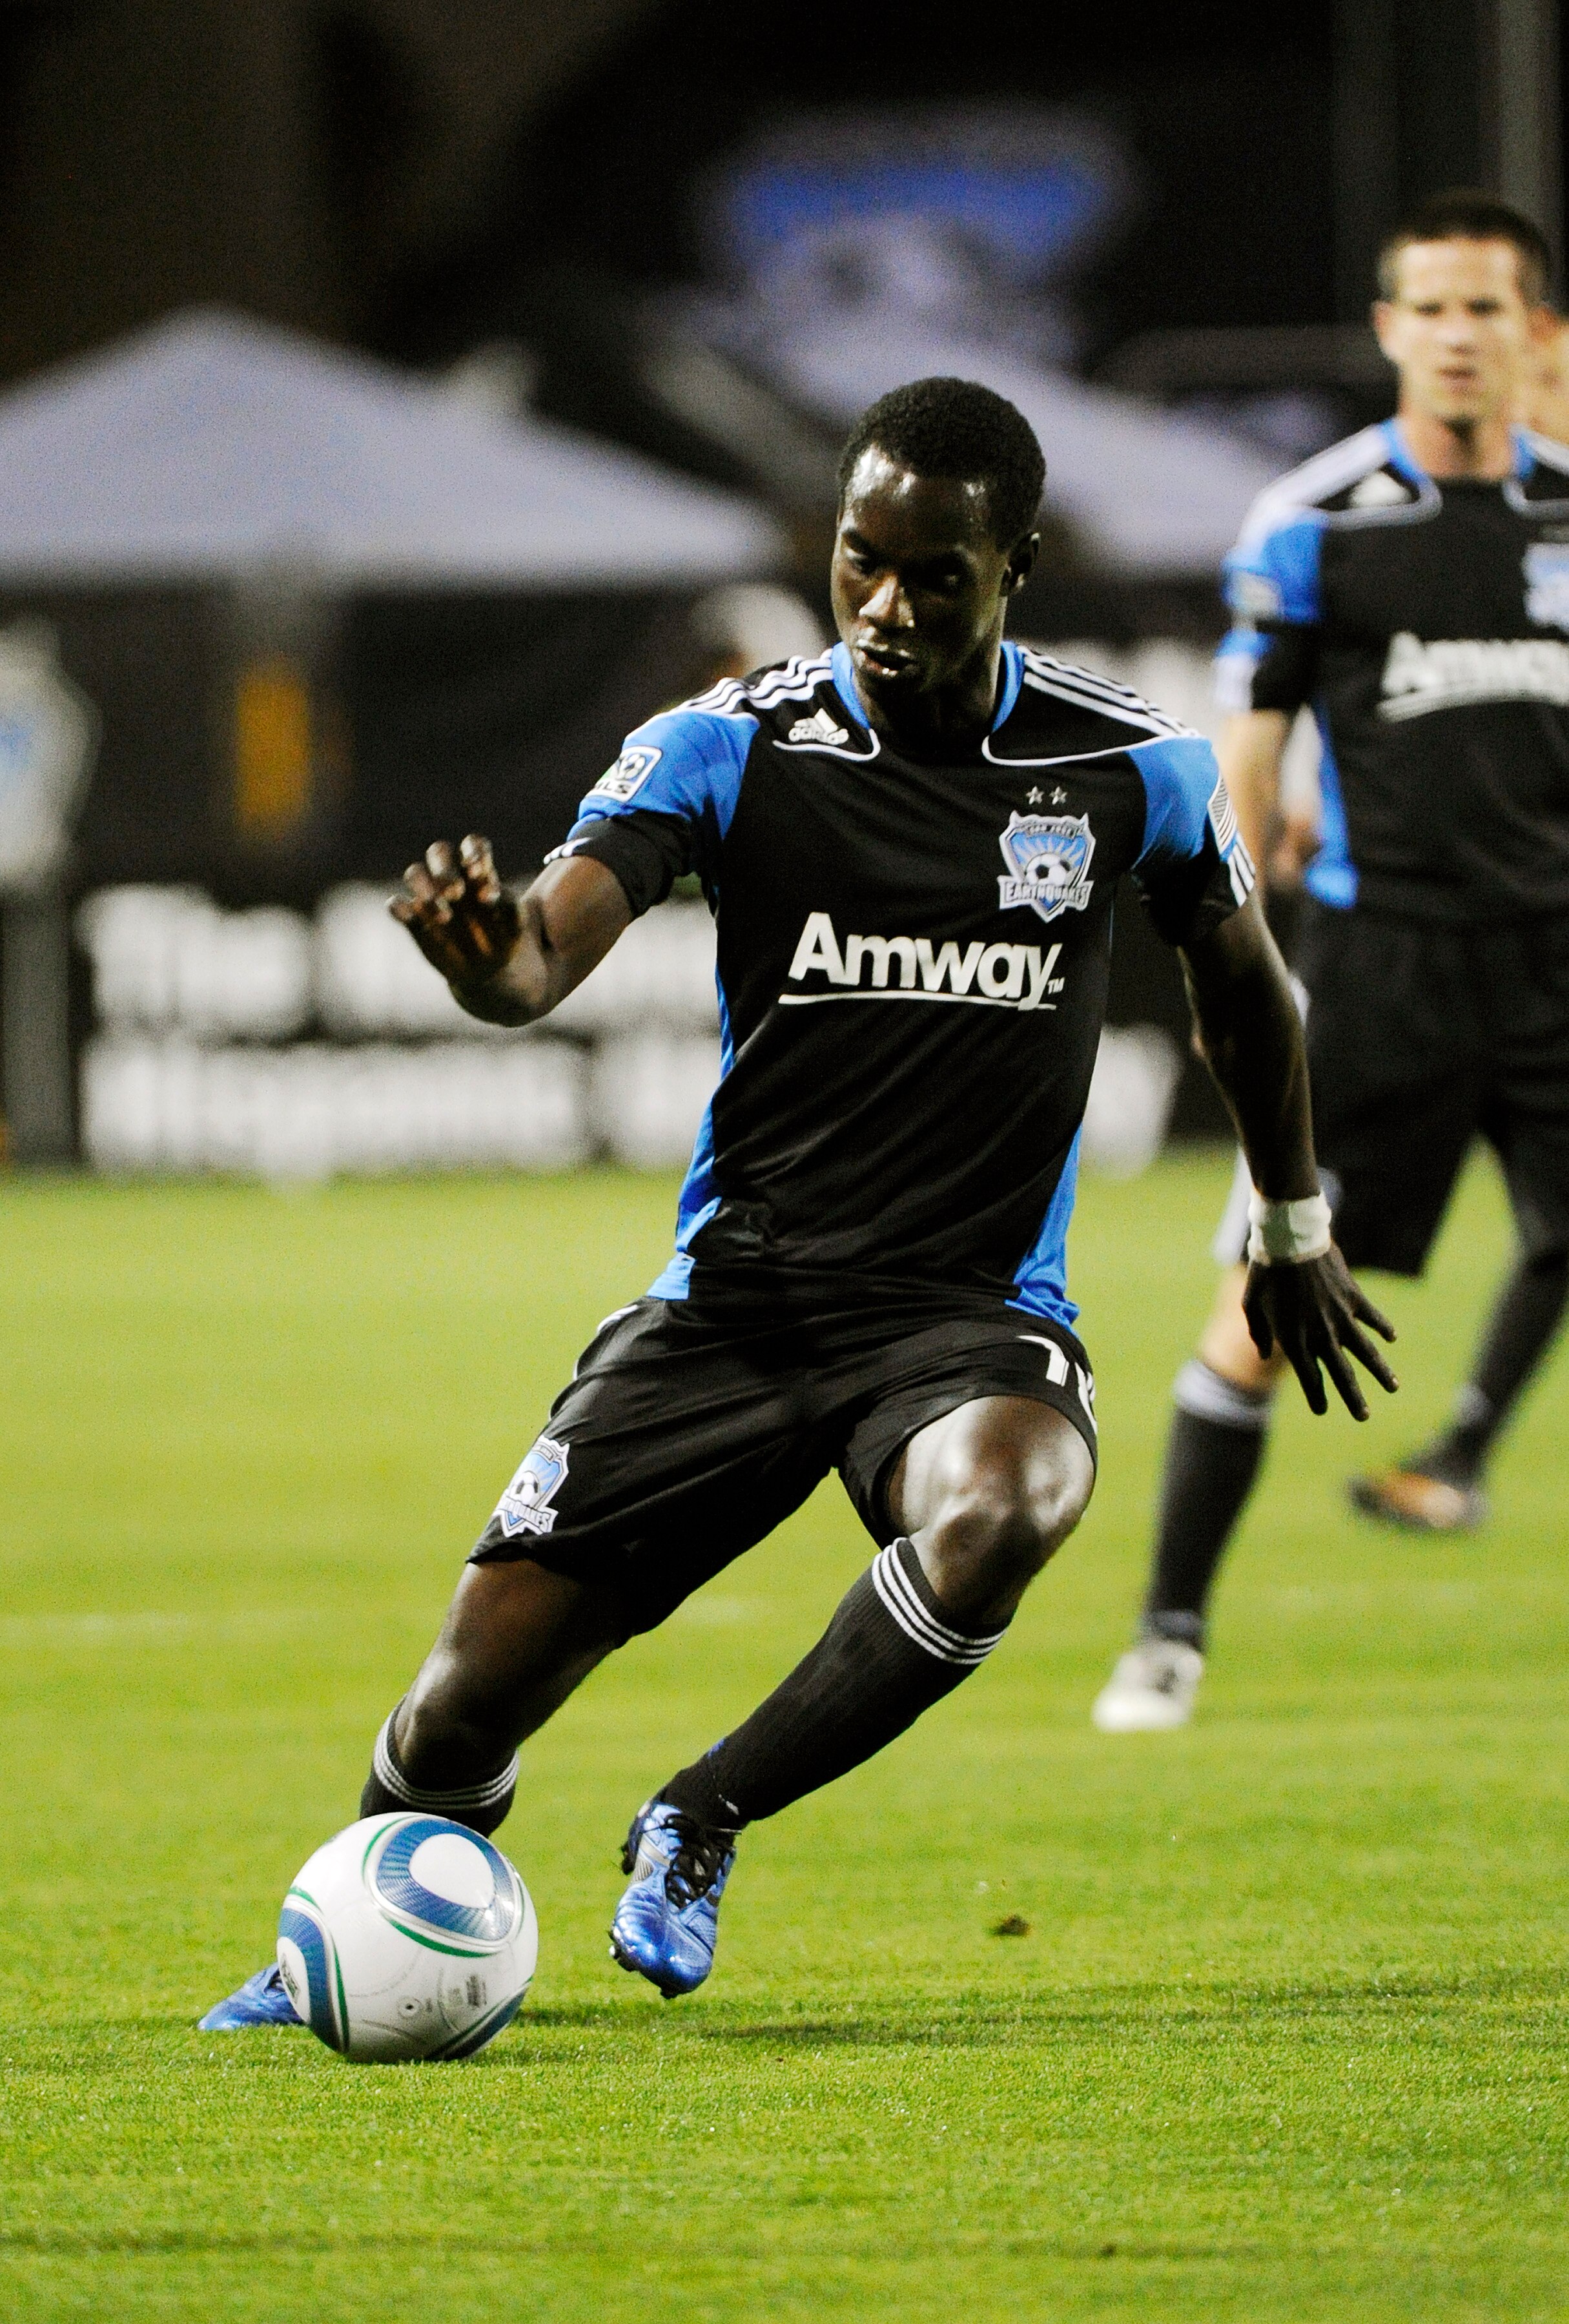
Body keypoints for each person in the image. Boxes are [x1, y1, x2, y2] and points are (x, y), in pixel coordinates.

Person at [201, 376, 1391, 2024]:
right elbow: (542, 953)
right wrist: (486, 970)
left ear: (1017, 567)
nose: (885, 607)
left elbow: (1248, 994)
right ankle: (338, 1940)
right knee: (463, 1707)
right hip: (737, 1313)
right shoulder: (730, 746)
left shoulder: (1134, 767)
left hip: (966, 1320)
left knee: (1013, 1502)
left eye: (933, 577)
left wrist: (1291, 1222)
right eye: (858, 562)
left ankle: (700, 1817)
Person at [1094, 190, 1569, 1735]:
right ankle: (1167, 1634)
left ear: (1531, 332)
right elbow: (1248, 752)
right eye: (1429, 308)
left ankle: (1460, 1456)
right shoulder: (1317, 521)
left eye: (1484, 307)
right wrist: (1235, 933)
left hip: (1554, 962)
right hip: (1382, 972)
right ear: (1388, 330)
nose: (1457, 335)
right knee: (1269, 1302)